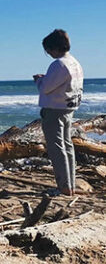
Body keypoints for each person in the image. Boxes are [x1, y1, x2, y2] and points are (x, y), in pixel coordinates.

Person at [33, 29, 83, 196]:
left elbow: (46, 88)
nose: (48, 53)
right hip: (68, 107)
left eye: (48, 50)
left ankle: (64, 186)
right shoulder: (75, 62)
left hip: (55, 108)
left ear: (54, 47)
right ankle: (70, 184)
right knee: (67, 145)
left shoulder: (59, 64)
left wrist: (39, 80)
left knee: (57, 148)